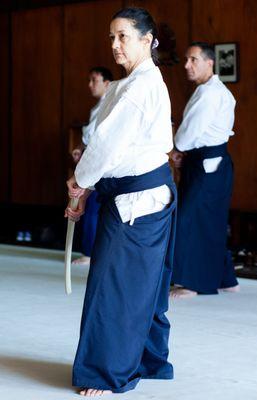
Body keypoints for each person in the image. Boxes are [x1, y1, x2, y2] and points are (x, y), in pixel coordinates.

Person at [65, 7, 177, 396]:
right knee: (142, 284)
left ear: (147, 40)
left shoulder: (140, 86)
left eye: (123, 36)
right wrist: (84, 185)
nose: (114, 44)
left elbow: (106, 147)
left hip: (139, 200)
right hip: (138, 195)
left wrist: (79, 184)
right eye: (111, 36)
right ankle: (146, 361)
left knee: (115, 286)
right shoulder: (133, 83)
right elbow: (106, 147)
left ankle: (106, 372)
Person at [170, 42, 239, 298]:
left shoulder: (211, 93)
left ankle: (193, 282)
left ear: (210, 62)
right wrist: (184, 151)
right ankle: (226, 278)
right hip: (208, 162)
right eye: (187, 60)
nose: (187, 65)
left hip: (208, 164)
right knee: (210, 220)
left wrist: (178, 148)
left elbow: (189, 134)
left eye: (193, 60)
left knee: (190, 220)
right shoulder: (210, 90)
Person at [71, 67, 113, 265]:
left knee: (93, 207)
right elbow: (88, 137)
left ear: (107, 83)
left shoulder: (111, 105)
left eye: (94, 80)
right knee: (88, 206)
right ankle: (89, 250)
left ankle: (91, 253)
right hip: (90, 159)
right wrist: (80, 148)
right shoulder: (97, 107)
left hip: (100, 164)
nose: (90, 85)